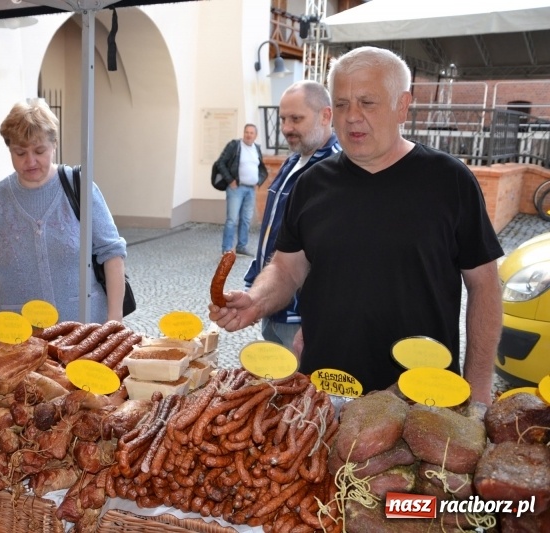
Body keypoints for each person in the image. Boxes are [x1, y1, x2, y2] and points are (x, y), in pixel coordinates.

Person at [210, 46, 503, 405]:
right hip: (325, 388)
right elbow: (287, 269)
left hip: (420, 398)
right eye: (343, 104)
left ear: (402, 105)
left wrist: (478, 392)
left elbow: (485, 285)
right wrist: (255, 301)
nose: (352, 117)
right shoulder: (311, 183)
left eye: (367, 102)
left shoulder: (449, 180)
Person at [0, 99, 127, 323]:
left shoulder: (80, 187)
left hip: (82, 327)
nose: (30, 161)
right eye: (20, 153)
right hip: (17, 332)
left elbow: (112, 254)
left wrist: (114, 320)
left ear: (54, 145)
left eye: (39, 150)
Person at [244, 81, 341, 353]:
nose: (286, 128)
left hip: (301, 320)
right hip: (274, 306)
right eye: (283, 118)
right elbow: (273, 234)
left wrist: (316, 320)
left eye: (296, 119)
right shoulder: (292, 160)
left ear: (325, 115)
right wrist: (255, 294)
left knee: (301, 392)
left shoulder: (336, 170)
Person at [216, 124, 268, 255]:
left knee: (246, 219)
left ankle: (242, 246)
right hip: (236, 188)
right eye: (247, 132)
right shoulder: (235, 146)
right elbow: (220, 163)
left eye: (251, 133)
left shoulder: (256, 148)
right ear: (243, 133)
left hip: (251, 190)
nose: (249, 135)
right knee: (232, 220)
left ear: (255, 136)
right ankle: (227, 248)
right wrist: (230, 180)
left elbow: (261, 168)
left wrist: (258, 181)